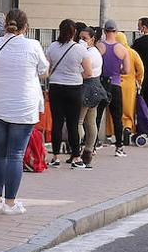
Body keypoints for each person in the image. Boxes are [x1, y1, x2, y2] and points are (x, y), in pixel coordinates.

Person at [0, 9, 47, 215]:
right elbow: (44, 70)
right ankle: (10, 203)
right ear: (25, 27)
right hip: (23, 106)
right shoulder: (33, 45)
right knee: (15, 155)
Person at [45, 19, 92, 167]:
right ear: (74, 32)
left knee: (57, 122)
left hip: (56, 87)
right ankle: (76, 156)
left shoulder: (52, 47)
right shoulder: (80, 49)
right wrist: (77, 75)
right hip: (74, 88)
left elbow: (46, 69)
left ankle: (56, 156)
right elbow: (88, 72)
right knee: (73, 123)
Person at [97, 20, 129, 157]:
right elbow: (127, 70)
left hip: (100, 83)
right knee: (117, 117)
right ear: (116, 32)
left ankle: (92, 146)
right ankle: (119, 147)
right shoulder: (122, 49)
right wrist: (118, 71)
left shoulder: (99, 46)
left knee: (97, 116)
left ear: (105, 31)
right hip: (115, 84)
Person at [76, 25, 104, 169]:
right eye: (80, 38)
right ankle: (88, 151)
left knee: (79, 121)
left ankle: (78, 150)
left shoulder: (90, 54)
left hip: (87, 86)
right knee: (90, 122)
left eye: (84, 38)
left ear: (92, 39)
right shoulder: (95, 52)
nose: (81, 41)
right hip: (95, 86)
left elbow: (83, 70)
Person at [113, 31, 145, 145]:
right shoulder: (132, 53)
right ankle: (127, 128)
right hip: (129, 85)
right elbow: (140, 68)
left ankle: (113, 132)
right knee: (128, 110)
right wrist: (139, 80)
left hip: (114, 83)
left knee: (115, 110)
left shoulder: (113, 51)